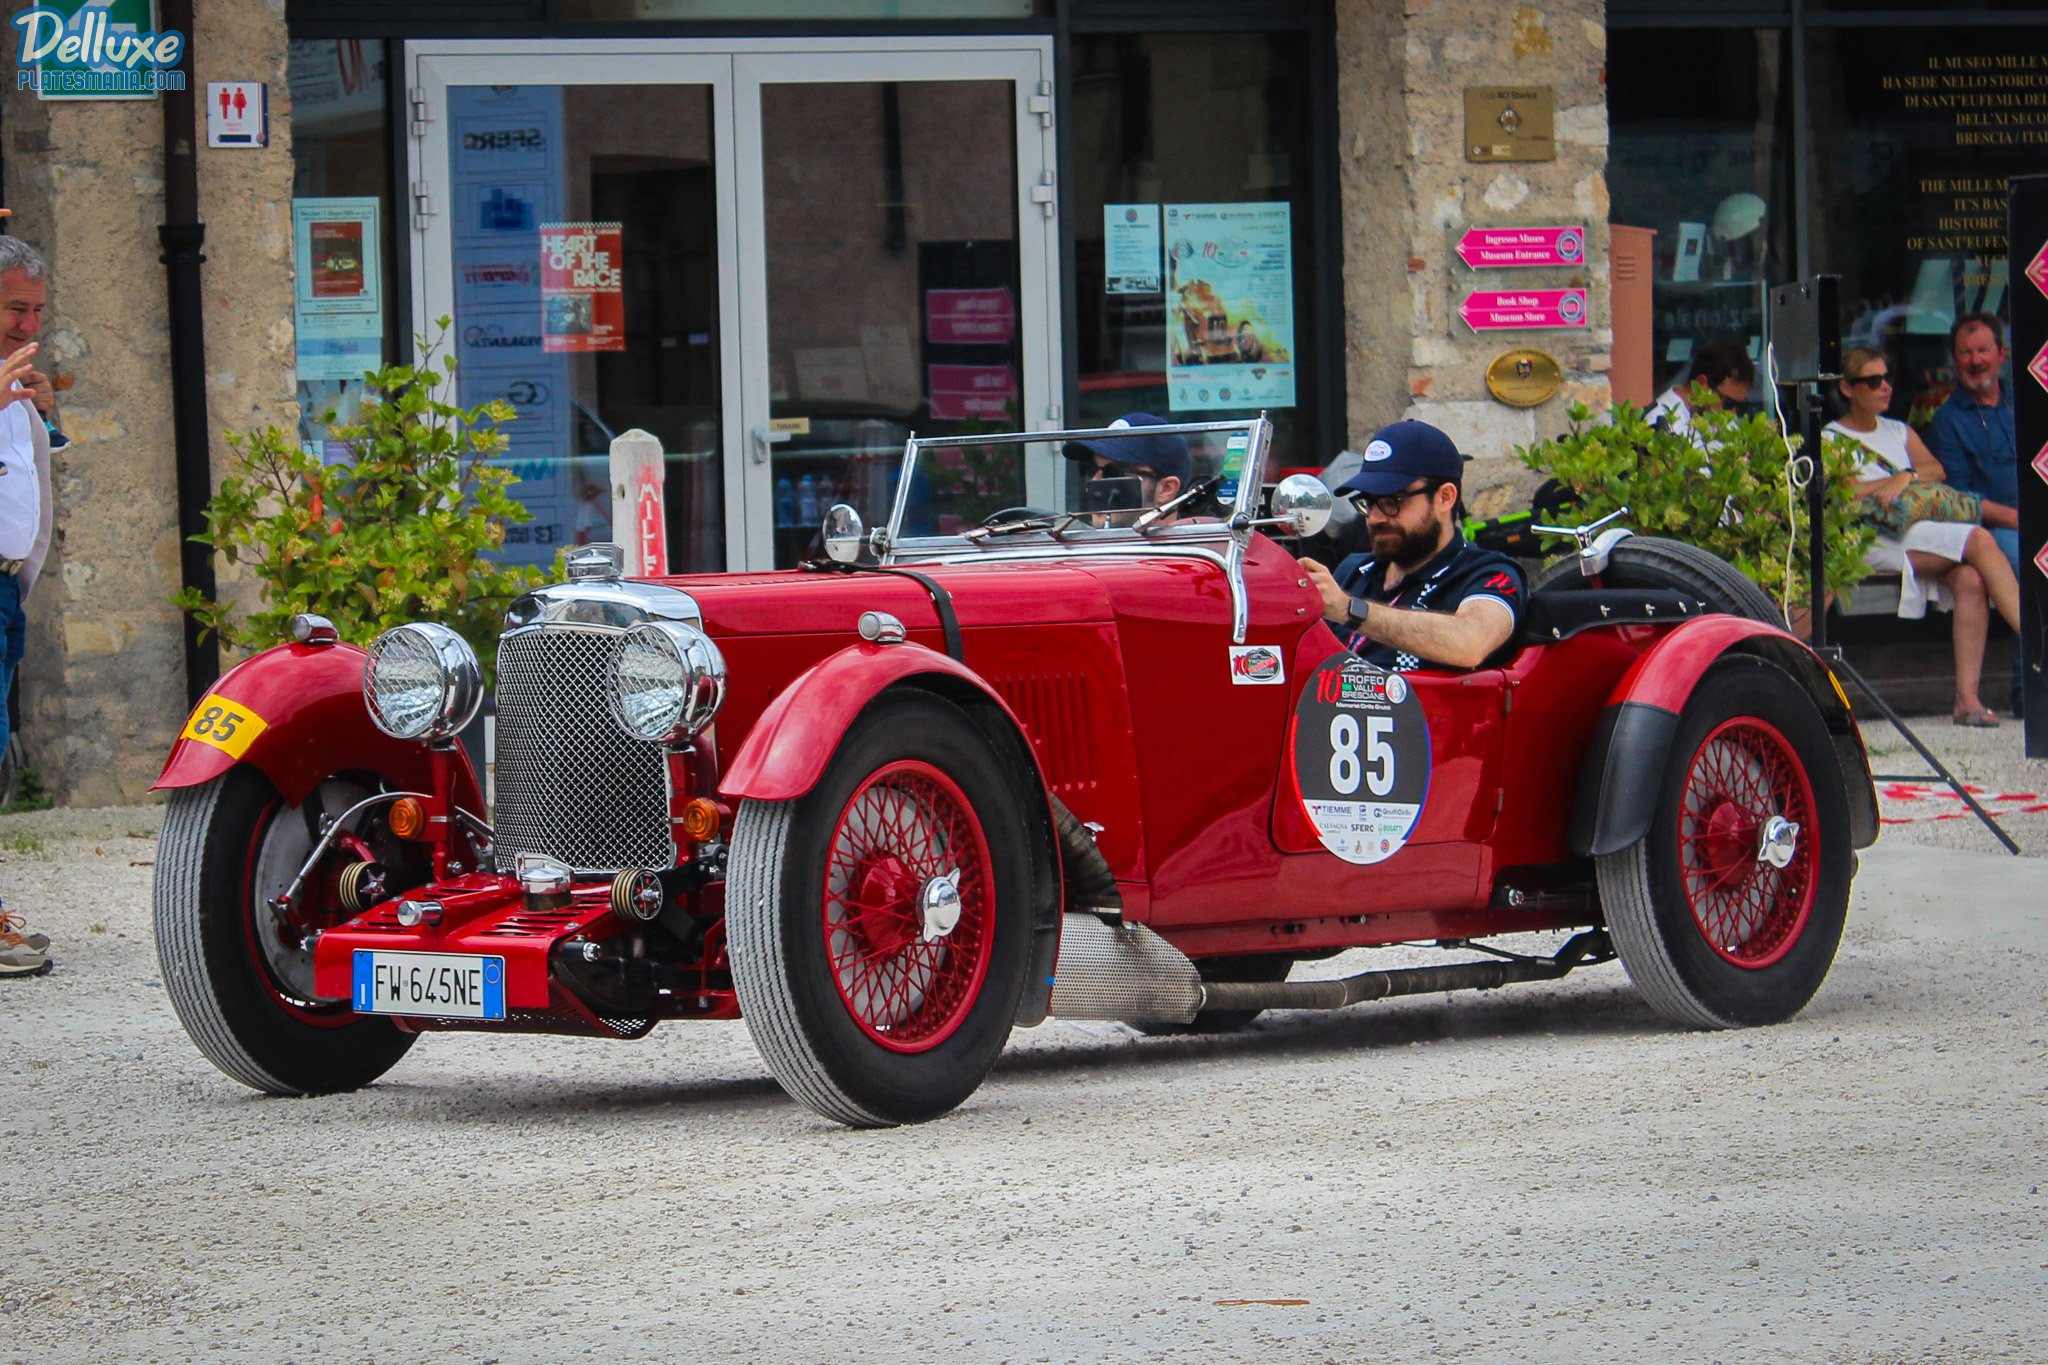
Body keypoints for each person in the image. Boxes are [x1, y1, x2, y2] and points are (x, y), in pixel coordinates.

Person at [1829, 347, 2021, 727]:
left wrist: (1906, 478)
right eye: (1873, 381)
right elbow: (1842, 492)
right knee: (1980, 540)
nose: (1885, 387)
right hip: (1872, 539)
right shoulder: (1832, 438)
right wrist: (1893, 480)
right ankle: (2034, 638)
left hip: (1915, 533)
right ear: (1848, 388)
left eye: (1887, 378)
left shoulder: (1899, 430)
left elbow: (1934, 469)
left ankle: (1967, 701)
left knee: (1970, 578)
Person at [1298, 419, 1525, 671]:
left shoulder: (1490, 573)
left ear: (1444, 498)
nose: (1375, 518)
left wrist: (1350, 610)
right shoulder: (1353, 570)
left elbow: (1470, 642)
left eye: (1393, 500)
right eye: (1368, 502)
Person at [0, 228, 54, 979]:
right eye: (16, 308)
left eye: (38, 312)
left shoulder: (13, 377)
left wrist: (41, 414)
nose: (30, 327)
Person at [1924, 312, 2023, 715]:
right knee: (2025, 563)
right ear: (1954, 360)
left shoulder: (2027, 404)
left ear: (2002, 354)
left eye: (1983, 350)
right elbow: (1960, 498)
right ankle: (2031, 688)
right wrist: (2018, 519)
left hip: (2030, 522)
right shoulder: (1947, 420)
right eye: (1965, 353)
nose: (1975, 360)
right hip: (1990, 530)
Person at [1061, 413, 1189, 526]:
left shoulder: (1194, 551)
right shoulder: (1075, 548)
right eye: (1089, 470)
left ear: (1167, 489)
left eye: (1112, 473)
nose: (1093, 483)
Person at [1647, 338, 1755, 441]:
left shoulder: (1722, 425)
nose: (1733, 414)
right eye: (1729, 403)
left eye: (1741, 405)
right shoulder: (1658, 422)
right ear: (1702, 384)